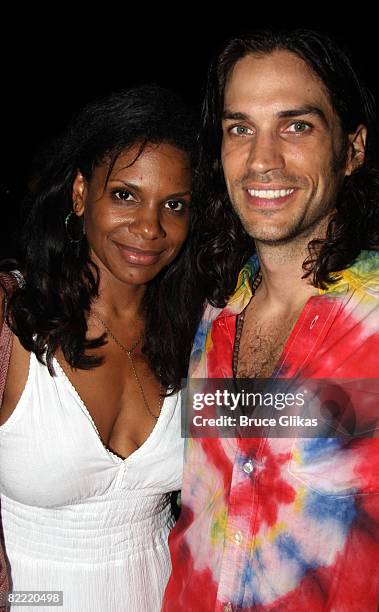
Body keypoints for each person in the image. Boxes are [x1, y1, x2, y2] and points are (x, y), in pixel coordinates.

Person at [162, 29, 379, 611]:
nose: (262, 160)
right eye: (240, 128)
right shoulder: (215, 313)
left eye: (296, 126)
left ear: (352, 149)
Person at [0, 84, 203, 611]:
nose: (149, 227)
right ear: (79, 194)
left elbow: (319, 419)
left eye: (174, 204)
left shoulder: (200, 333)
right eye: (125, 194)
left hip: (167, 595)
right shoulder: (10, 322)